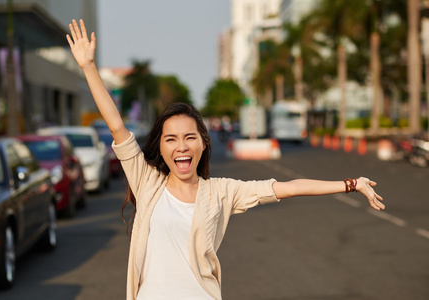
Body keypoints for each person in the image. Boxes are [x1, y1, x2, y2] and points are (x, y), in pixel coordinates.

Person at [66, 19, 385, 300]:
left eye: (190, 137)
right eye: (171, 139)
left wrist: (351, 184)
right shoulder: (147, 182)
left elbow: (287, 188)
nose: (182, 147)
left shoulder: (221, 192)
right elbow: (116, 125)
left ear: (203, 144)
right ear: (160, 149)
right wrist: (88, 67)